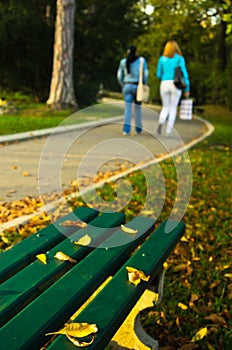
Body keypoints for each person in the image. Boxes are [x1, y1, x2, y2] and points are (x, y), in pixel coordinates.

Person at [156, 40, 190, 136]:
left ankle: (160, 122)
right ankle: (168, 131)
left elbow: (158, 74)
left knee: (165, 106)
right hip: (176, 84)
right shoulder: (179, 59)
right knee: (173, 108)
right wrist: (187, 88)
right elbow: (184, 74)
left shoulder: (162, 59)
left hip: (164, 83)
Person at [117, 46, 149, 135]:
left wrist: (123, 85)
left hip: (127, 86)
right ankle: (138, 129)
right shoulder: (142, 61)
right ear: (136, 52)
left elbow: (119, 76)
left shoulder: (123, 62)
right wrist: (144, 84)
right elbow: (146, 74)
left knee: (128, 109)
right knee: (138, 108)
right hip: (137, 86)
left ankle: (126, 130)